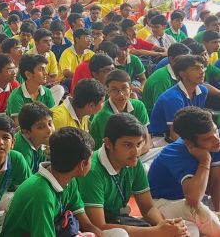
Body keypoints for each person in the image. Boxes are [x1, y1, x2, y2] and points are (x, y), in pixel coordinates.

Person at [1, 127, 128, 237]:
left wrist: (100, 234)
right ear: (82, 165)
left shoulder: (69, 179)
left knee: (119, 233)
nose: (92, 162)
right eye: (91, 158)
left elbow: (86, 223)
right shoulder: (41, 194)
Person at [79, 114, 189, 236]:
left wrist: (164, 226)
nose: (136, 151)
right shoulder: (92, 170)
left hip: (119, 219)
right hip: (93, 229)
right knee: (121, 234)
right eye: (128, 145)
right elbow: (98, 226)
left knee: (185, 226)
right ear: (108, 143)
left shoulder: (133, 162)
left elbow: (148, 208)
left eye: (139, 144)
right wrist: (156, 232)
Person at [148, 107, 220, 236]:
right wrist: (205, 161)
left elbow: (216, 183)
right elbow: (193, 199)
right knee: (196, 210)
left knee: (194, 227)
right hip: (161, 204)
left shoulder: (214, 142)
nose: (216, 139)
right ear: (189, 142)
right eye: (208, 138)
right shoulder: (174, 152)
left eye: (216, 131)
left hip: (191, 203)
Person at [149, 55, 208, 146]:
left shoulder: (203, 91)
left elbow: (196, 121)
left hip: (186, 133)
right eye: (195, 69)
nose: (202, 72)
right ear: (182, 73)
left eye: (202, 67)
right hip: (162, 139)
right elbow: (174, 135)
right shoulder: (173, 98)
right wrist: (199, 146)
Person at [90, 70, 150, 151]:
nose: (121, 94)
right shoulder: (104, 115)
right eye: (114, 89)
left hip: (134, 153)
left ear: (131, 89)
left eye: (124, 88)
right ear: (108, 91)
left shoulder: (139, 106)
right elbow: (112, 151)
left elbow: (146, 140)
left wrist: (137, 153)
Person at [141, 43, 191, 112]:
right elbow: (162, 108)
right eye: (183, 60)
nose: (187, 63)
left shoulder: (180, 73)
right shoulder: (162, 79)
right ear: (171, 59)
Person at [6, 54, 56, 124]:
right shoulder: (16, 96)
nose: (45, 73)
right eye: (40, 69)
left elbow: (52, 119)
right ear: (28, 74)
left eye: (45, 69)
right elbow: (20, 127)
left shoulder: (47, 92)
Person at [15, 102, 54, 173]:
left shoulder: (39, 140)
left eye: (50, 123)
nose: (49, 130)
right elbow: (27, 183)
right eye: (41, 127)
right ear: (27, 132)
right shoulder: (22, 153)